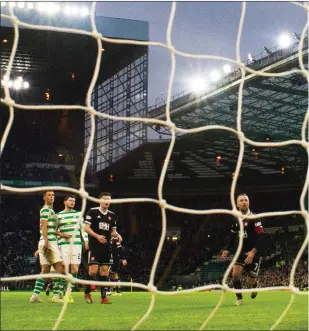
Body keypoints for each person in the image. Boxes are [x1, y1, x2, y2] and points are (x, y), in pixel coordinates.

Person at [221, 193, 265, 306]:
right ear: (237, 204)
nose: (244, 202)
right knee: (235, 274)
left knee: (250, 281)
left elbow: (261, 237)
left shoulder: (254, 218)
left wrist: (253, 252)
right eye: (241, 200)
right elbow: (232, 235)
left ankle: (255, 285)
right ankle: (239, 299)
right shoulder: (235, 218)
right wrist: (227, 249)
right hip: (240, 251)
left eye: (246, 200)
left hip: (254, 252)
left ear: (248, 203)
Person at [83, 192, 121, 304]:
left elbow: (113, 231)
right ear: (100, 200)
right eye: (105, 199)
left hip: (106, 246)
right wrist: (97, 236)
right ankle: (87, 292)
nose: (107, 202)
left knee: (104, 272)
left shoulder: (112, 215)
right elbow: (86, 228)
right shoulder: (92, 212)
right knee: (93, 271)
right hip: (94, 245)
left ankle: (103, 297)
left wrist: (118, 235)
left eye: (109, 200)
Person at [30, 191, 65, 303]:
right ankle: (56, 296)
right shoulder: (45, 209)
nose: (52, 197)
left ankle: (35, 295)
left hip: (45, 241)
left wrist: (62, 235)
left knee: (45, 270)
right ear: (44, 197)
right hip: (49, 242)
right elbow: (43, 226)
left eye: (53, 195)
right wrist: (46, 241)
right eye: (49, 195)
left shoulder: (51, 211)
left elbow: (51, 229)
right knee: (58, 267)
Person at [56, 195, 89, 301]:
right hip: (63, 244)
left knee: (75, 269)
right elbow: (55, 231)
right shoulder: (58, 215)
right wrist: (62, 237)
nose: (72, 202)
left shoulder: (78, 214)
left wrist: (86, 241)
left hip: (76, 244)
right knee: (64, 269)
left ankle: (68, 294)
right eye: (70, 200)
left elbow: (83, 229)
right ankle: (61, 291)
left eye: (74, 201)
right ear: (65, 202)